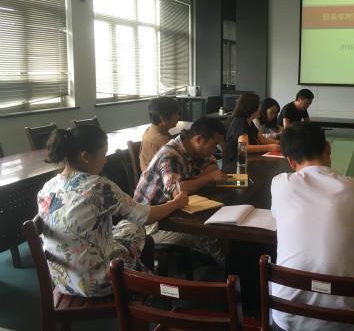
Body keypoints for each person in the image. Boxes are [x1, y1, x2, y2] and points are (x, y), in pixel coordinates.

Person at [271, 122, 354, 331]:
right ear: (328, 148)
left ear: (290, 161)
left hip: (285, 318)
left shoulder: (279, 184)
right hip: (344, 322)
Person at [37, 125, 189, 297]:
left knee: (122, 229)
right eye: (103, 155)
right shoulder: (98, 186)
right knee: (136, 228)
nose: (105, 161)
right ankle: (144, 285)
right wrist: (175, 203)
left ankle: (144, 277)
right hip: (98, 283)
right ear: (85, 157)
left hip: (64, 281)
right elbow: (146, 216)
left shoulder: (47, 188)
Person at [134, 117, 227, 265]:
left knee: (220, 226)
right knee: (209, 234)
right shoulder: (170, 155)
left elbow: (213, 167)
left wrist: (196, 180)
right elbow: (178, 191)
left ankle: (233, 268)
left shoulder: (193, 148)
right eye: (214, 145)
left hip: (173, 213)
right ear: (199, 139)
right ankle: (234, 274)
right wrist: (207, 178)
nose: (214, 150)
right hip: (151, 225)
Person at [223, 93, 279, 169]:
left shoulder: (249, 122)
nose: (260, 109)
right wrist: (269, 147)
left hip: (246, 161)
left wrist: (279, 143)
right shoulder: (240, 122)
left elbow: (261, 139)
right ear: (252, 108)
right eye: (258, 106)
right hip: (234, 165)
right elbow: (243, 148)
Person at [140, 97, 180, 171]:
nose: (178, 117)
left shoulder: (150, 130)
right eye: (176, 114)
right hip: (160, 177)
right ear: (163, 119)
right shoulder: (163, 141)